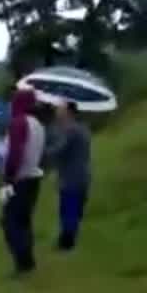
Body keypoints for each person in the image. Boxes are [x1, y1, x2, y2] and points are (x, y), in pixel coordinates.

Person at [0, 86, 46, 276]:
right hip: (33, 177)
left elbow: (16, 153)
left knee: (11, 223)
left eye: (13, 101)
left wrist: (8, 177)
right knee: (24, 222)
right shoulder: (38, 124)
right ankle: (28, 262)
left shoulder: (18, 123)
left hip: (20, 179)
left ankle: (22, 264)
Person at [47, 100, 92, 250]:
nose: (58, 112)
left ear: (69, 113)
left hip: (72, 178)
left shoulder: (71, 131)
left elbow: (59, 150)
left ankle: (66, 243)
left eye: (61, 109)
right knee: (73, 210)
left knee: (68, 210)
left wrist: (41, 152)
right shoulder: (82, 129)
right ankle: (66, 241)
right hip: (82, 176)